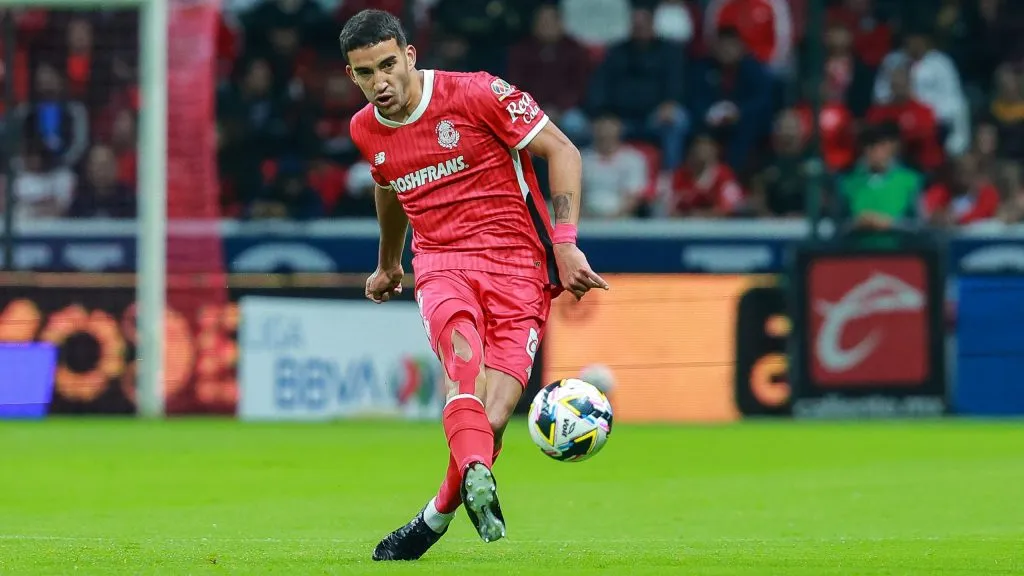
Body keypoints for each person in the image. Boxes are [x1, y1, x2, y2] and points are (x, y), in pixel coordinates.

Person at [339, 9, 609, 561]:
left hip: (518, 267)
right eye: (366, 73)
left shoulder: (480, 93)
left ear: (410, 56)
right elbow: (388, 186)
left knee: (488, 422)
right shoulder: (365, 128)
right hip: (441, 262)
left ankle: (435, 516)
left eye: (388, 65)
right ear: (353, 76)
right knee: (462, 365)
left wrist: (565, 242)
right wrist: (390, 263)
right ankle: (473, 480)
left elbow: (563, 150)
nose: (380, 82)